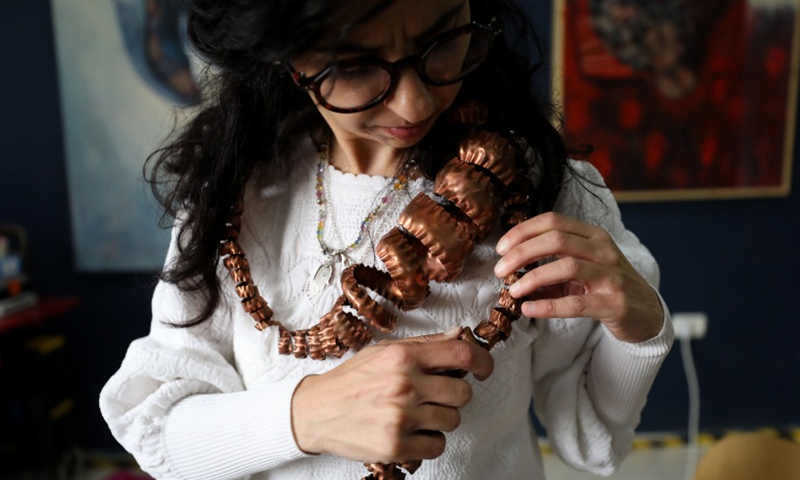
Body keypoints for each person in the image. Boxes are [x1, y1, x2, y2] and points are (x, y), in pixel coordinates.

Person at [99, 0, 673, 479]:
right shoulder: (233, 199)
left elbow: (592, 443)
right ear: (286, 56)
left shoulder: (538, 189)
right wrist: (307, 415)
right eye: (354, 65)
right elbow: (156, 432)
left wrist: (641, 330)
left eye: (444, 39)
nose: (415, 103)